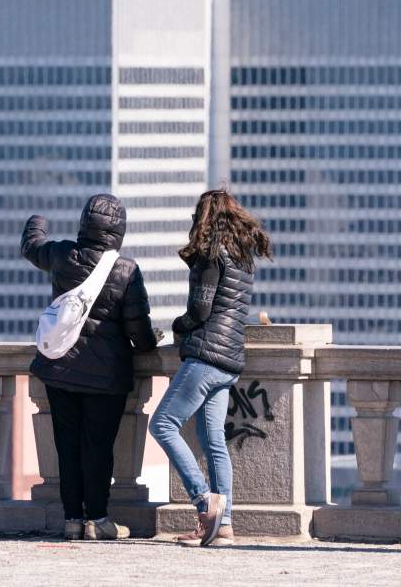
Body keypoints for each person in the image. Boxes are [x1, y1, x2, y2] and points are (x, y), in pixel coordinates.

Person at [22, 194, 160, 541]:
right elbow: (139, 333)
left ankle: (71, 519)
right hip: (105, 378)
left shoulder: (62, 254)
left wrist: (38, 218)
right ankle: (97, 519)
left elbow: (31, 245)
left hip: (60, 369)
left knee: (67, 446)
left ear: (84, 223)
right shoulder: (126, 271)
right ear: (119, 231)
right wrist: (151, 339)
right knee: (98, 449)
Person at [150, 189, 271, 548]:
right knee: (213, 440)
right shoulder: (242, 259)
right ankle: (224, 526)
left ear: (205, 218)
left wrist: (179, 325)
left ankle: (205, 504)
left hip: (205, 357)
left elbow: (200, 312)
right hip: (229, 360)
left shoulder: (211, 256)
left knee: (163, 424)